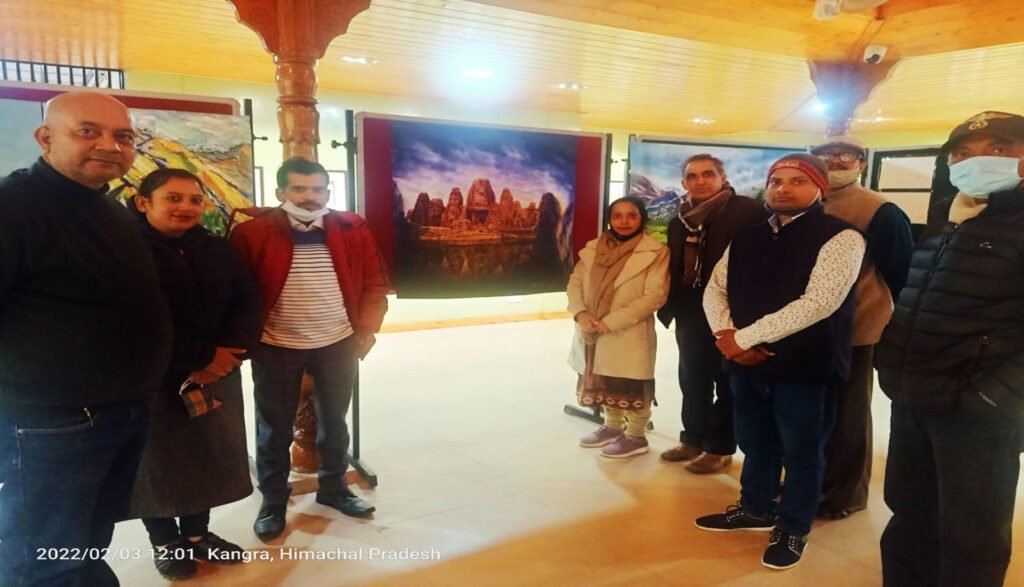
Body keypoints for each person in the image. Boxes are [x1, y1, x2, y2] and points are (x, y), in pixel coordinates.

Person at [0, 91, 172, 586]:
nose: (110, 145)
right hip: (53, 422)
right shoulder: (13, 206)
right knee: (44, 559)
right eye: (88, 131)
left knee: (88, 541)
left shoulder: (107, 207)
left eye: (123, 136)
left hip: (120, 410)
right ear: (45, 138)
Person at [875, 111, 1024, 587]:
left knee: (971, 533)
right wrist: (891, 363)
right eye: (963, 153)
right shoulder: (948, 215)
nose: (977, 161)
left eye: (998, 149)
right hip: (914, 396)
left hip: (978, 411)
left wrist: (992, 397)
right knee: (909, 513)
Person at [695, 154, 865, 571]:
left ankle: (792, 526)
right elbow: (715, 289)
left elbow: (819, 303)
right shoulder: (747, 236)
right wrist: (726, 336)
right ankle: (755, 508)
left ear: (820, 188)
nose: (784, 188)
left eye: (797, 181)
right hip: (747, 364)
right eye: (777, 181)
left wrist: (743, 338)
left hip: (805, 365)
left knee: (802, 451)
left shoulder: (841, 237)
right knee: (755, 442)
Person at [230, 157, 390, 541]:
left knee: (335, 420)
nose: (309, 197)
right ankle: (273, 498)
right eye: (299, 188)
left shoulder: (352, 230)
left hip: (337, 341)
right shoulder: (252, 233)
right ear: (281, 191)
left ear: (328, 192)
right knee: (274, 426)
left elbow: (374, 283)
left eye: (318, 189)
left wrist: (364, 331)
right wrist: (243, 340)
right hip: (276, 344)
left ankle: (334, 488)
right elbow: (236, 290)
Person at [128, 168, 262, 580]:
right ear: (143, 202)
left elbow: (248, 302)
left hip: (215, 372)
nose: (186, 207)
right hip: (150, 375)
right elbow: (135, 320)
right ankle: (164, 540)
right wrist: (202, 356)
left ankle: (198, 533)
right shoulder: (124, 251)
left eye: (195, 200)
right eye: (174, 198)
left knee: (206, 452)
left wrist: (231, 354)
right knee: (155, 460)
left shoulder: (218, 249)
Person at [810, 136, 914, 519]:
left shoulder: (880, 210)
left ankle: (845, 494)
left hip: (854, 328)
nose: (834, 161)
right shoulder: (806, 202)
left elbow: (902, 274)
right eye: (825, 155)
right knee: (813, 411)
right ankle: (814, 481)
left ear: (861, 164)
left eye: (846, 156)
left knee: (847, 415)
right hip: (805, 329)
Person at [656, 154, 765, 474]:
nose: (700, 181)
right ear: (683, 183)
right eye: (692, 176)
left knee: (728, 380)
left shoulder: (749, 212)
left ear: (722, 177)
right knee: (692, 377)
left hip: (733, 311)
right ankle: (693, 438)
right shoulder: (679, 221)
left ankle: (719, 447)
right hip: (690, 310)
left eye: (707, 174)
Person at [569, 196, 669, 458]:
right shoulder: (594, 249)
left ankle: (636, 436)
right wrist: (580, 313)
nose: (624, 221)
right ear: (609, 220)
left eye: (631, 215)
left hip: (628, 330)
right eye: (617, 216)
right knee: (605, 379)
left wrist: (609, 323)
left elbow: (655, 295)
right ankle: (612, 426)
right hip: (591, 327)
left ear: (642, 218)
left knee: (631, 383)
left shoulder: (656, 252)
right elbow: (575, 283)